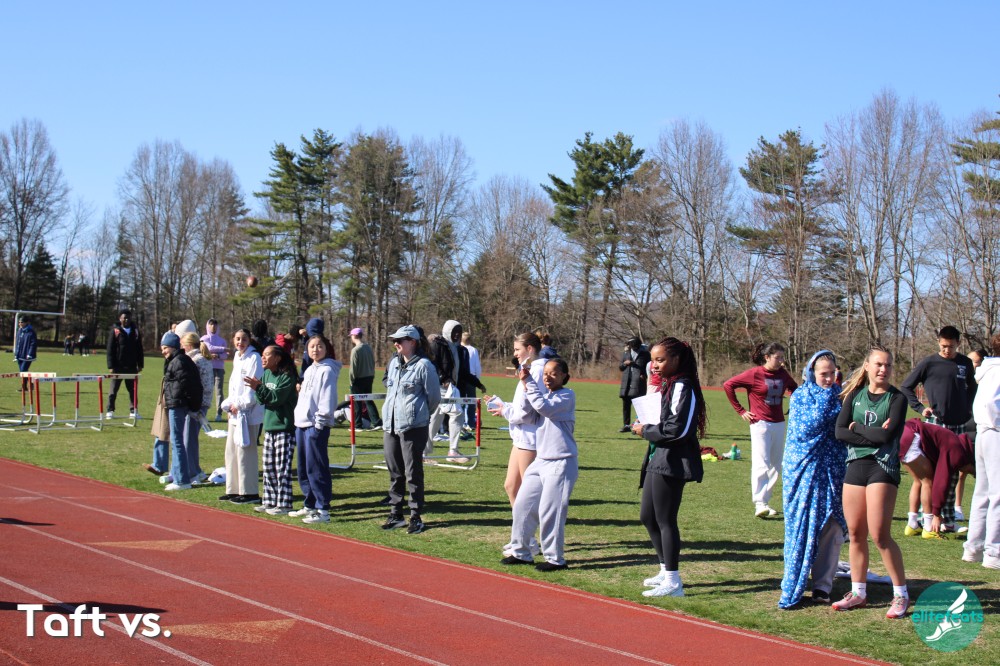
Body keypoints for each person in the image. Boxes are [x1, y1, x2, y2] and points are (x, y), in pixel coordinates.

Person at [833, 345, 910, 618]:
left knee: (880, 535)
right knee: (855, 533)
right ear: (867, 366)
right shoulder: (854, 395)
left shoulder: (897, 398)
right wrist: (870, 432)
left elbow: (885, 438)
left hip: (882, 467)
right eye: (878, 364)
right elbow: (839, 431)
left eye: (888, 365)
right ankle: (858, 593)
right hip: (856, 465)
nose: (883, 369)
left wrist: (857, 428)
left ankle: (901, 595)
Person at [630, 337, 706, 598]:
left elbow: (678, 430)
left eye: (660, 360)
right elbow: (666, 421)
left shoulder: (683, 385)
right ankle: (664, 570)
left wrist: (646, 430)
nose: (654, 365)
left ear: (676, 359)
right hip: (658, 455)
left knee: (665, 519)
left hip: (674, 459)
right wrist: (645, 423)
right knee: (648, 516)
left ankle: (674, 582)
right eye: (652, 360)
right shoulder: (668, 384)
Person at [778, 351, 846, 608]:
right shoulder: (801, 397)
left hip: (834, 470)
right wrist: (829, 401)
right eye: (823, 374)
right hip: (804, 472)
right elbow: (808, 428)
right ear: (811, 374)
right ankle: (794, 583)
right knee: (802, 526)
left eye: (832, 373)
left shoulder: (841, 396)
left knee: (832, 526)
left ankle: (822, 586)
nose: (828, 379)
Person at [501, 358, 578, 572]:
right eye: (545, 373)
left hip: (561, 462)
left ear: (564, 376)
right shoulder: (545, 395)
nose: (547, 377)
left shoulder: (567, 396)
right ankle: (521, 552)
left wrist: (529, 382)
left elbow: (543, 408)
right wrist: (520, 387)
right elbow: (527, 414)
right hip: (541, 460)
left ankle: (555, 559)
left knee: (550, 512)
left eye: (553, 373)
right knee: (522, 505)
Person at [723, 342, 798, 517]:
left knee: (776, 465)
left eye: (782, 357)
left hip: (779, 423)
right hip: (760, 423)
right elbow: (728, 385)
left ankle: (765, 500)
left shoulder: (783, 374)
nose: (781, 361)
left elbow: (794, 388)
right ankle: (759, 503)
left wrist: (794, 404)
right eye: (777, 357)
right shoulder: (754, 373)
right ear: (767, 357)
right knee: (761, 462)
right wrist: (741, 410)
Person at [381, 325, 440, 535]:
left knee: (413, 472)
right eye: (394, 340)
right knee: (395, 472)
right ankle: (396, 513)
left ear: (413, 342)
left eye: (400, 340)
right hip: (390, 425)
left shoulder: (424, 366)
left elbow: (434, 398)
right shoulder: (394, 364)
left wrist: (418, 415)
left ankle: (415, 515)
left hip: (413, 427)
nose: (396, 343)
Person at [487, 332, 546, 521]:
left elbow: (527, 413)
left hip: (530, 438)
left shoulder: (537, 371)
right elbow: (522, 405)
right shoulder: (528, 369)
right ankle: (521, 530)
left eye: (517, 349)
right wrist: (503, 405)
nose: (515, 353)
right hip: (520, 437)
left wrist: (505, 411)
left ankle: (529, 532)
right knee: (511, 486)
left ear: (529, 349)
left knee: (528, 492)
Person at [245, 345, 304, 517]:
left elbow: (276, 398)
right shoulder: (266, 374)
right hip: (269, 426)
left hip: (284, 427)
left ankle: (284, 504)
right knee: (268, 467)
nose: (262, 358)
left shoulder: (287, 376)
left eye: (266, 355)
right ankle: (269, 501)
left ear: (277, 358)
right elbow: (261, 399)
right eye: (262, 355)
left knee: (281, 468)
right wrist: (259, 389)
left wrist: (259, 388)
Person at [899, 419, 975, 539]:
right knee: (928, 481)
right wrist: (937, 514)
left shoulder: (955, 441)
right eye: (972, 471)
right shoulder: (957, 452)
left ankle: (912, 525)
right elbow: (941, 482)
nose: (968, 473)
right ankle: (928, 528)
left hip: (903, 433)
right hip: (912, 436)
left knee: (918, 481)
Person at [899, 325, 976, 435]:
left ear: (958, 343)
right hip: (937, 421)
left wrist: (967, 407)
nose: (947, 350)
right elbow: (906, 387)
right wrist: (920, 408)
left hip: (960, 422)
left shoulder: (965, 362)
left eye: (951, 346)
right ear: (938, 342)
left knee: (960, 447)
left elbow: (973, 387)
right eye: (944, 346)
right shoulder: (928, 363)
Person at [964, 333, 1000, 569]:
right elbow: (991, 405)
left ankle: (974, 548)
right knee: (996, 494)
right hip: (994, 431)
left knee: (983, 492)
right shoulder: (996, 371)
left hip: (984, 432)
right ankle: (993, 552)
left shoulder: (988, 369)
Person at [218, 328, 264, 505]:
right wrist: (229, 405)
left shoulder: (254, 358)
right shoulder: (237, 357)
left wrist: (240, 404)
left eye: (244, 339)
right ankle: (233, 489)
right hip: (235, 413)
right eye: (237, 339)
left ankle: (249, 492)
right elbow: (234, 387)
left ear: (249, 340)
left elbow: (252, 389)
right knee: (231, 451)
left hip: (248, 414)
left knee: (246, 452)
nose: (240, 342)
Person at [157, 331, 203, 491]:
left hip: (178, 405)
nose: (163, 351)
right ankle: (177, 475)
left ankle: (182, 480)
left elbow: (186, 385)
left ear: (173, 346)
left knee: (177, 441)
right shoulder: (179, 360)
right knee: (177, 441)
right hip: (177, 404)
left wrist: (190, 404)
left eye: (165, 348)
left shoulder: (179, 361)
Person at [180, 332, 213, 484]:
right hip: (202, 402)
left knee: (188, 438)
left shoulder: (194, 360)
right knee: (191, 437)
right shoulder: (203, 358)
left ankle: (192, 472)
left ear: (187, 345)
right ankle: (195, 470)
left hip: (196, 404)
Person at [106, 309, 144, 418]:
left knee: (133, 390)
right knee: (113, 390)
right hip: (118, 366)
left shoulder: (135, 331)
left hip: (131, 366)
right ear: (120, 319)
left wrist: (140, 364)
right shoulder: (115, 331)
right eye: (124, 318)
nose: (126, 320)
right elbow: (110, 349)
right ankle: (110, 410)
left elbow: (139, 349)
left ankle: (133, 411)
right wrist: (111, 366)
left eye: (128, 318)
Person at [348, 327, 381, 430]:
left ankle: (357, 425)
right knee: (368, 400)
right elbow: (372, 363)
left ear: (354, 336)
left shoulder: (355, 350)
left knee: (356, 403)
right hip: (369, 377)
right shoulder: (368, 347)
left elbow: (353, 368)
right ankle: (377, 422)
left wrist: (351, 381)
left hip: (358, 379)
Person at [619, 337, 651, 433]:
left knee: (639, 405)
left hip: (638, 382)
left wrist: (644, 375)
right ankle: (626, 425)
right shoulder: (626, 353)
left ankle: (638, 426)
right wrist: (625, 364)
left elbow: (650, 367)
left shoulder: (645, 354)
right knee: (626, 405)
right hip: (626, 382)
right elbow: (620, 367)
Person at [200, 319, 229, 421]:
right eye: (211, 325)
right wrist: (223, 349)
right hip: (208, 367)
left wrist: (218, 356)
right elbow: (209, 347)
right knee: (206, 390)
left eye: (215, 325)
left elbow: (226, 355)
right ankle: (202, 412)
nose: (213, 327)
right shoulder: (204, 338)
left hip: (219, 368)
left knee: (219, 391)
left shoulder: (222, 341)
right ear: (207, 326)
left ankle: (219, 414)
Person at [461, 331, 483, 431]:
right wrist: (477, 379)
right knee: (471, 402)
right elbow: (477, 366)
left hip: (461, 378)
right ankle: (470, 423)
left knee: (460, 401)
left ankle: (461, 423)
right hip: (471, 378)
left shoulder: (458, 348)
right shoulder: (473, 350)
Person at [13, 316, 37, 392]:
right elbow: (18, 343)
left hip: (27, 356)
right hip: (20, 355)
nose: (20, 324)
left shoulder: (31, 332)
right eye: (19, 322)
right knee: (22, 372)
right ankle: (27, 385)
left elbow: (33, 343)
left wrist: (30, 353)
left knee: (23, 370)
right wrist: (16, 354)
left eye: (22, 322)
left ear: (27, 322)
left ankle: (24, 386)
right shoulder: (19, 331)